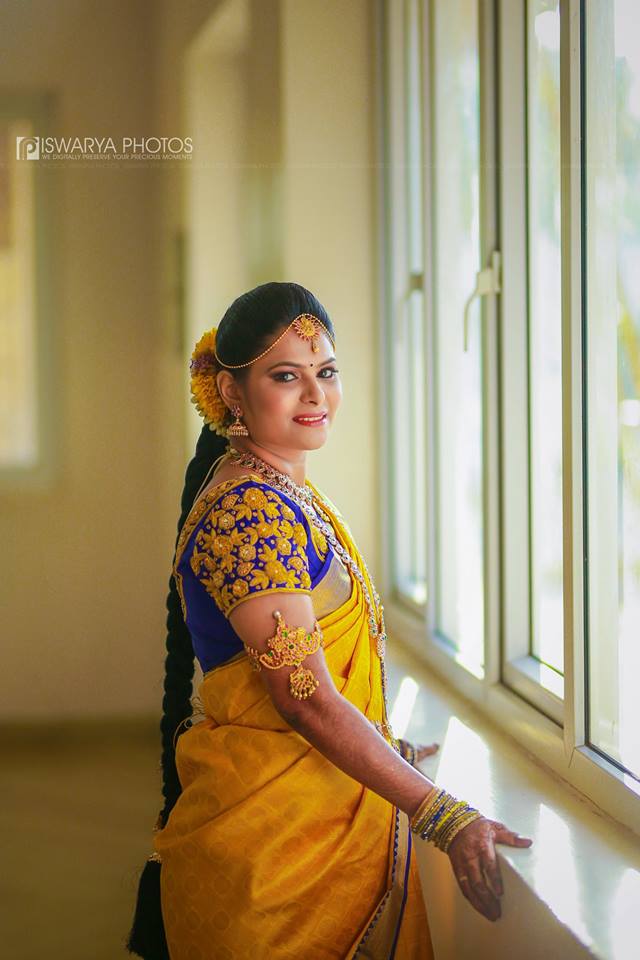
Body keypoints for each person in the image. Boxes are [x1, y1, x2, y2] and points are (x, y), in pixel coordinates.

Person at [127, 281, 533, 960]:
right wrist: (443, 815)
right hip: (280, 865)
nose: (316, 396)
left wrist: (382, 738)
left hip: (308, 831)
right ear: (232, 393)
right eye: (286, 377)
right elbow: (306, 698)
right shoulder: (249, 512)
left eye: (327, 372)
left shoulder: (282, 489)